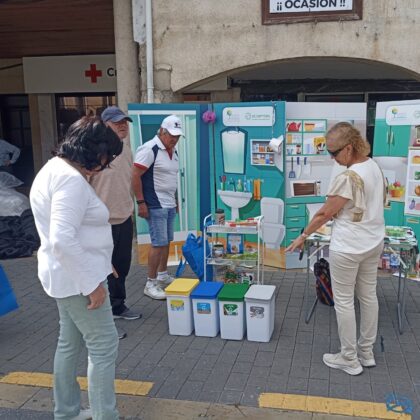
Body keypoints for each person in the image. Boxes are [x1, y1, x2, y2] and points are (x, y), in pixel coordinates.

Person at [30, 117, 122, 419]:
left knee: (68, 342)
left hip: (66, 275)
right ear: (95, 151)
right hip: (78, 280)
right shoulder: (70, 180)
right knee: (104, 346)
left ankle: (67, 412)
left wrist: (103, 261)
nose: (105, 165)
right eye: (106, 157)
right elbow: (63, 239)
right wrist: (92, 284)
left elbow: (73, 232)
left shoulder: (54, 169)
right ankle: (104, 415)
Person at [286, 122, 385, 376]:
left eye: (334, 152)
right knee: (368, 297)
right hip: (373, 241)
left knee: (343, 302)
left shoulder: (348, 178)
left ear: (349, 148)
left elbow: (324, 213)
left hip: (349, 247)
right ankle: (366, 352)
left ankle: (349, 358)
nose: (332, 158)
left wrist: (303, 236)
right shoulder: (373, 166)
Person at [90, 106, 142, 321]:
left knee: (122, 266)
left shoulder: (126, 150)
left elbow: (129, 182)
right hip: (102, 222)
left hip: (124, 217)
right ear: (105, 125)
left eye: (124, 122)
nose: (122, 126)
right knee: (103, 269)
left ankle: (118, 305)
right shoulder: (95, 152)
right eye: (116, 122)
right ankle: (102, 312)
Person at [132, 115, 183, 299]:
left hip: (168, 203)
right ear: (162, 131)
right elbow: (135, 175)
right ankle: (150, 283)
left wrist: (175, 200)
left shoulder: (173, 151)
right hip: (155, 203)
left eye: (177, 136)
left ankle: (162, 275)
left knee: (166, 241)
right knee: (158, 243)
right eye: (171, 135)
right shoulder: (149, 149)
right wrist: (140, 202)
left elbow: (170, 179)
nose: (174, 139)